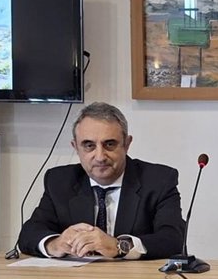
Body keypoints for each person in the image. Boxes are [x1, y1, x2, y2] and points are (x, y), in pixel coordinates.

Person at [17, 102, 185, 260]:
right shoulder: (60, 181)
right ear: (75, 147)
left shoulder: (159, 180)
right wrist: (55, 244)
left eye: (109, 144)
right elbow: (29, 233)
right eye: (89, 145)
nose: (100, 157)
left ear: (126, 144)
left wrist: (119, 246)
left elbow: (173, 239)